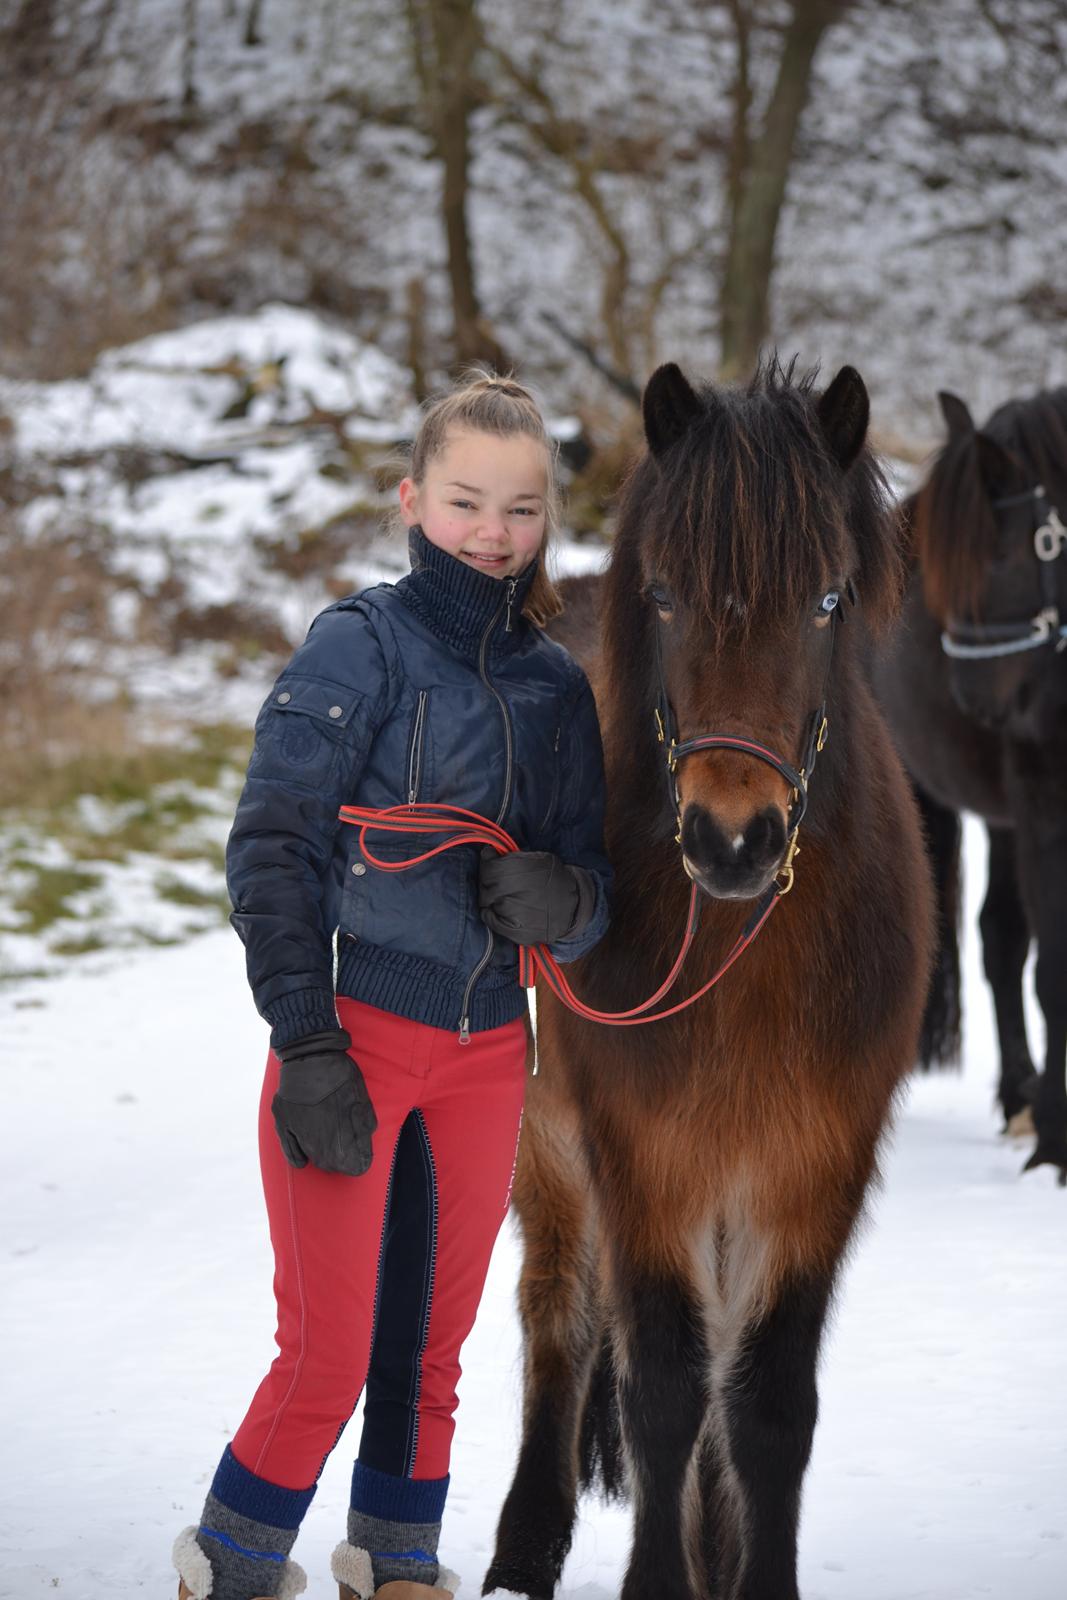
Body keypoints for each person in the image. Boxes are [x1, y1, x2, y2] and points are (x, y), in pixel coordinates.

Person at [172, 372, 613, 1600]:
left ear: (546, 521)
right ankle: (234, 1561)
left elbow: (594, 882)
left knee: (429, 1352)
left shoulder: (554, 686)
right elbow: (273, 845)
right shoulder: (354, 645)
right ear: (412, 499)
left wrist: (566, 904)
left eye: (521, 509)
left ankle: (396, 1558)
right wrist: (305, 1040)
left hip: (487, 1054)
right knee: (326, 1350)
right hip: (355, 1042)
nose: (494, 531)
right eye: (467, 500)